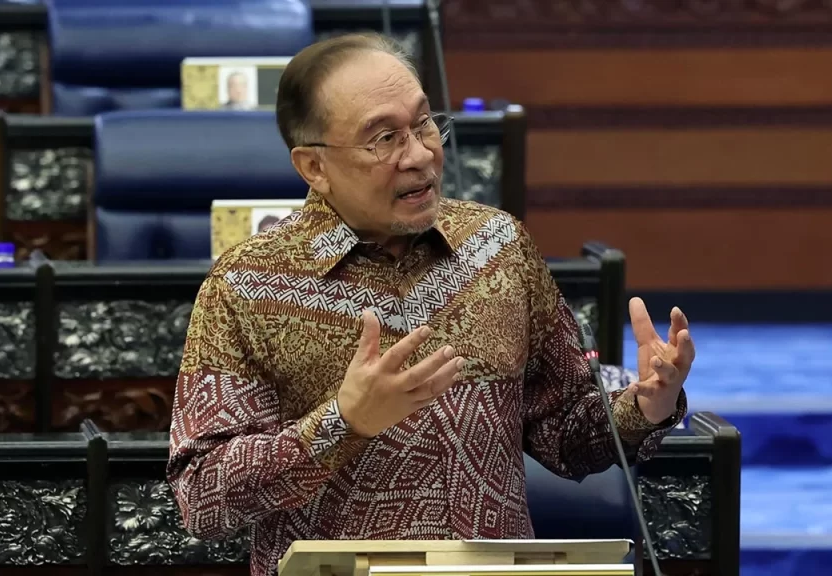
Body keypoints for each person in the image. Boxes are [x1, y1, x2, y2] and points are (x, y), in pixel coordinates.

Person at [167, 33, 694, 576]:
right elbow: (202, 497)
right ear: (314, 167)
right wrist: (342, 422)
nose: (420, 155)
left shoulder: (498, 247)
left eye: (423, 124)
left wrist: (646, 405)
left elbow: (564, 432)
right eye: (383, 138)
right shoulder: (246, 284)